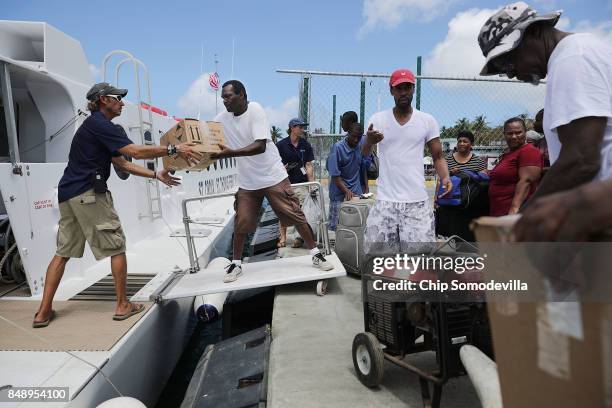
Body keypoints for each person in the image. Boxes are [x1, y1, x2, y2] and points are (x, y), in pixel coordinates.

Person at [33, 82, 202, 328]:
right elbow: (134, 150)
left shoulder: (93, 127)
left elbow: (123, 163)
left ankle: (43, 312)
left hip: (68, 195)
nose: (122, 103)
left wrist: (156, 176)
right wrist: (175, 147)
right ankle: (123, 305)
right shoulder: (101, 124)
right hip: (89, 194)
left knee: (63, 252)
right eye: (118, 98)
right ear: (103, 100)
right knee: (117, 247)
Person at [478, 2, 612, 211]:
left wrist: (528, 213)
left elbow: (583, 159)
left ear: (536, 31)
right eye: (504, 69)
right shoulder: (578, 52)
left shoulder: (573, 59)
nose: (511, 73)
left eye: (510, 60)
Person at [212, 80, 333, 283]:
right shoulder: (222, 118)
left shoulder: (255, 110)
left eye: (228, 96)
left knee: (295, 214)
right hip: (248, 182)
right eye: (222, 97)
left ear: (242, 94)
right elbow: (206, 133)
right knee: (241, 222)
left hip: (272, 176)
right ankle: (236, 264)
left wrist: (230, 152)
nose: (224, 100)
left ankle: (315, 254)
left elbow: (259, 146)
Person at [362, 68, 452, 254]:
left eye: (407, 87)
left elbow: (438, 157)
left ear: (413, 89)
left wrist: (445, 177)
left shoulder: (427, 120)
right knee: (376, 258)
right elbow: (363, 154)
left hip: (416, 203)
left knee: (420, 260)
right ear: (391, 91)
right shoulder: (377, 119)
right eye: (399, 88)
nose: (403, 92)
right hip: (385, 202)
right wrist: (369, 141)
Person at [435, 130, 487, 241]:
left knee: (468, 234)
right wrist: (436, 199)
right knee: (452, 232)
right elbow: (440, 180)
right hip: (451, 201)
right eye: (459, 141)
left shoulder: (478, 161)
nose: (462, 143)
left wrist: (465, 174)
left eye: (465, 141)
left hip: (470, 202)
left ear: (471, 144)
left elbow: (484, 179)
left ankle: (467, 254)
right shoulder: (448, 160)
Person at [488, 117, 542, 216]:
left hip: (515, 215)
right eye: (509, 133)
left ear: (525, 133)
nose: (513, 136)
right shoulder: (509, 153)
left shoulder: (529, 151)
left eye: (518, 132)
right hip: (499, 211)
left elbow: (526, 181)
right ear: (504, 134)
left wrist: (513, 210)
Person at [275, 118, 315, 248]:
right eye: (301, 127)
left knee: (302, 211)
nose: (303, 129)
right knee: (284, 211)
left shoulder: (306, 145)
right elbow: (274, 165)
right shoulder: (280, 145)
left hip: (302, 184)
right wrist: (282, 169)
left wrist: (311, 184)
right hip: (285, 184)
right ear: (292, 128)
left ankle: (299, 238)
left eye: (303, 127)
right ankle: (283, 237)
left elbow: (308, 165)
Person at [326, 122, 368, 231]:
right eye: (353, 136)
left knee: (356, 226)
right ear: (348, 133)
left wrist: (366, 187)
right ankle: (338, 248)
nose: (355, 140)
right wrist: (346, 191)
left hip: (356, 193)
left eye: (358, 137)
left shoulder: (360, 146)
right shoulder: (337, 148)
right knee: (338, 228)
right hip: (339, 195)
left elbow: (362, 168)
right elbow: (335, 175)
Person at [340, 111, 371, 194]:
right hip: (347, 187)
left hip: (359, 185)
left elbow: (365, 165)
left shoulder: (360, 141)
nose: (341, 125)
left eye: (343, 122)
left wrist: (366, 187)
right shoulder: (344, 142)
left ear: (350, 123)